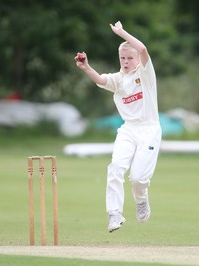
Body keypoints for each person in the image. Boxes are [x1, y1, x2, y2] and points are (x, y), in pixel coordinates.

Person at [75, 21, 162, 232]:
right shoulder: (118, 79)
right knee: (115, 168)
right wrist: (86, 67)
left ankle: (141, 200)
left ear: (137, 60)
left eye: (130, 58)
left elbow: (142, 49)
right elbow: (102, 80)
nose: (126, 61)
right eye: (123, 58)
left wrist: (122, 33)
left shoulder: (145, 74)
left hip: (149, 129)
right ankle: (114, 214)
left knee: (138, 178)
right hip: (128, 130)